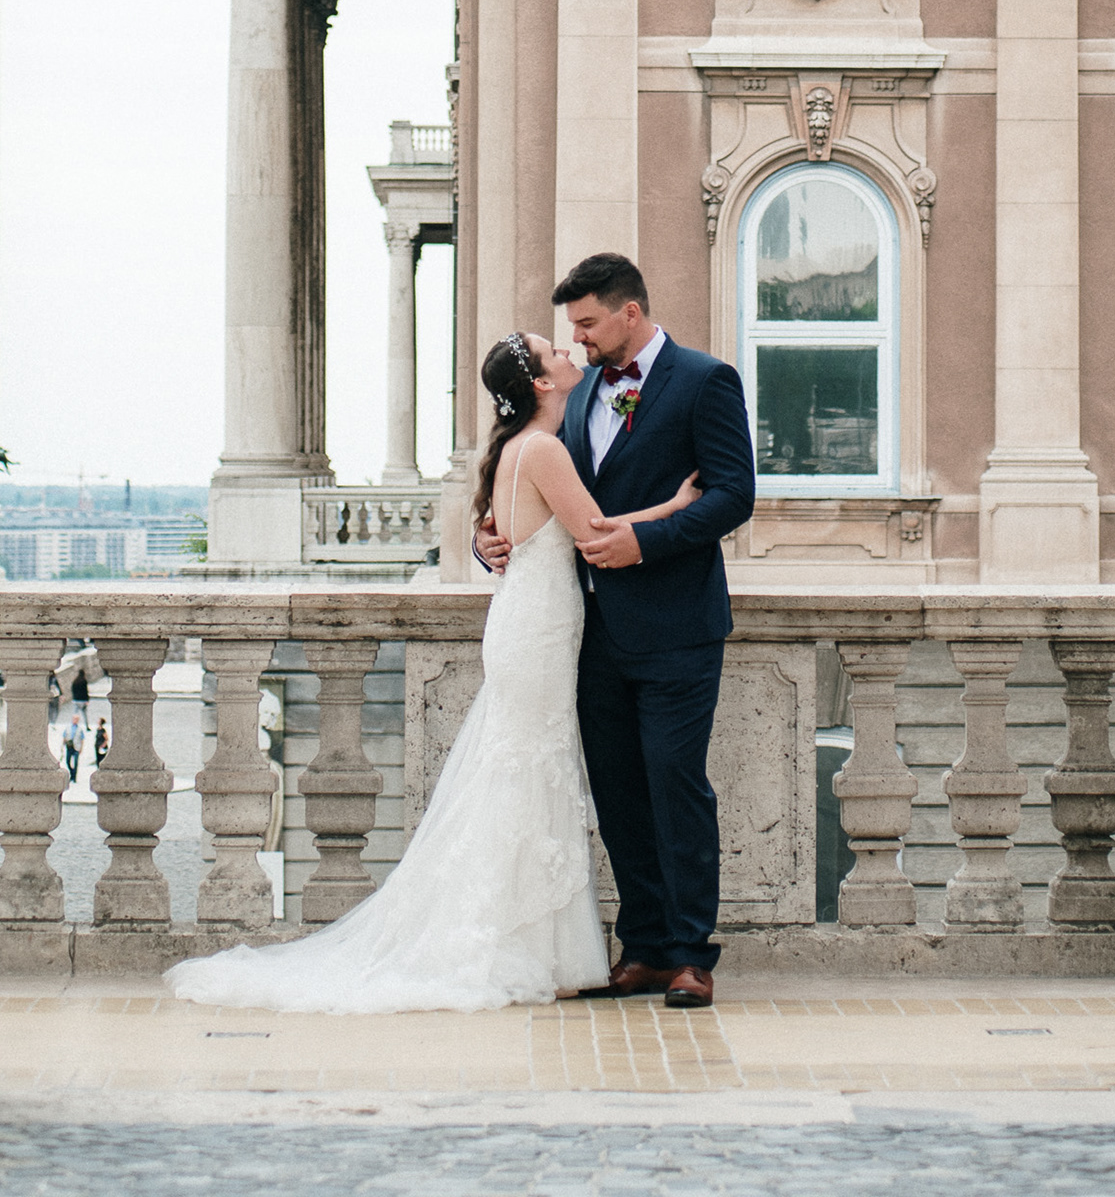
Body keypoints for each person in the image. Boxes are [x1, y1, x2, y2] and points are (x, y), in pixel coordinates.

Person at [165, 328, 700, 1014]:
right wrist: (676, 507)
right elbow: (596, 535)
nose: (569, 352)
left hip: (532, 623)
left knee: (525, 771)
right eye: (554, 352)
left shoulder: (522, 445)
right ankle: (514, 945)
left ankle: (529, 942)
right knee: (528, 770)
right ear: (540, 382)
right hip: (538, 629)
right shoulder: (542, 448)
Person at [474, 255, 756, 1009]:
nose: (579, 339)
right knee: (617, 792)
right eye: (570, 329)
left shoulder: (705, 381)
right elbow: (539, 495)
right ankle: (645, 947)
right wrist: (489, 539)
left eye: (589, 323)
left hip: (675, 625)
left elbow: (733, 495)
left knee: (676, 784)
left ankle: (691, 954)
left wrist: (647, 541)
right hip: (586, 632)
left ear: (630, 311)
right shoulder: (575, 394)